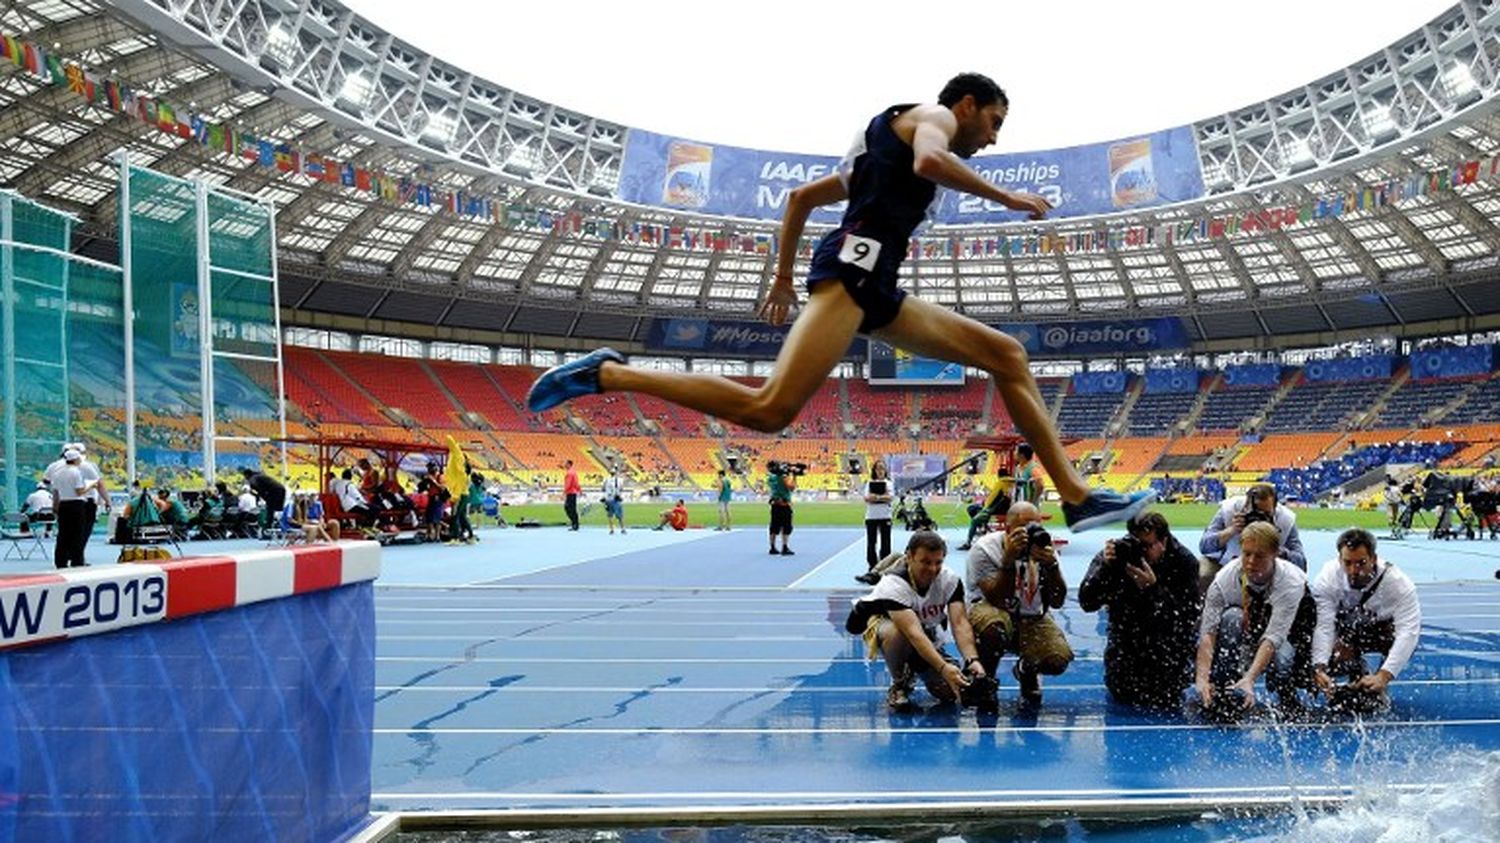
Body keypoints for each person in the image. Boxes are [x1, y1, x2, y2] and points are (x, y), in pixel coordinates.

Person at [527, 72, 1154, 533]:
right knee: (770, 410)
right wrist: (1008, 199)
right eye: (993, 123)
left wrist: (780, 279)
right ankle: (606, 373)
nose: (991, 140)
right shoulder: (930, 118)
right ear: (966, 104)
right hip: (851, 278)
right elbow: (934, 159)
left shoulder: (882, 152)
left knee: (1007, 355)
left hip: (876, 287)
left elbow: (800, 198)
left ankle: (1076, 498)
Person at [847, 531, 986, 710]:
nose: (932, 569)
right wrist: (943, 667)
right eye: (926, 562)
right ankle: (899, 683)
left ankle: (916, 664)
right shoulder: (893, 585)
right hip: (888, 627)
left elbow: (959, 623)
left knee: (951, 693)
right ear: (910, 557)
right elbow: (913, 633)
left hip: (925, 631)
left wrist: (971, 660)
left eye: (938, 562)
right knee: (898, 633)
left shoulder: (950, 580)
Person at [1077, 512, 1203, 710]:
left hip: (1167, 649)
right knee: (1123, 694)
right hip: (1126, 645)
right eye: (1137, 545)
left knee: (1166, 699)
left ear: (1164, 541)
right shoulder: (1119, 556)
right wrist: (1107, 569)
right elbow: (1087, 602)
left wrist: (1153, 590)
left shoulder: (1183, 561)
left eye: (1147, 546)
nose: (1141, 552)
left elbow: (1186, 618)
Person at [1194, 521, 1317, 715]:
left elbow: (1273, 637)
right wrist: (1202, 679)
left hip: (1289, 630)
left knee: (1283, 660)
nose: (1251, 561)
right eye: (1246, 553)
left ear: (1275, 554)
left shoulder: (1291, 582)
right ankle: (1223, 686)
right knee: (1231, 618)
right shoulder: (1224, 580)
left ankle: (1287, 693)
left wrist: (1250, 678)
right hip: (1250, 623)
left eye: (1259, 556)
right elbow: (1208, 633)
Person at [964, 501, 1073, 705]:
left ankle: (1026, 669)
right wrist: (1009, 561)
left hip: (1030, 614)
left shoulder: (1044, 549)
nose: (1031, 532)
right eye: (1025, 527)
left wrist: (1052, 566)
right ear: (1008, 529)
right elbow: (998, 598)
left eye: (1036, 526)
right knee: (994, 628)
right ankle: (986, 679)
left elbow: (1057, 601)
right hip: (990, 608)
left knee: (1057, 659)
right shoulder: (985, 550)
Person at [1310, 528, 1421, 708]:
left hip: (1379, 632)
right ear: (1339, 560)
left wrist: (1384, 675)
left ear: (1373, 559)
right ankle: (1356, 671)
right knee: (1325, 658)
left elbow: (1408, 633)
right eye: (1348, 563)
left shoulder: (1399, 585)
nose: (1354, 570)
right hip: (1346, 633)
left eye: (1361, 563)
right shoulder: (1327, 579)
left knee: (1396, 638)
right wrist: (1319, 667)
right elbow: (1323, 626)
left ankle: (1376, 686)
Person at [1199, 482, 1307, 590]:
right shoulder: (1230, 510)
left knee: (1297, 580)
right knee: (1204, 573)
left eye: (1265, 514)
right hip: (1225, 564)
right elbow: (1204, 547)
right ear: (1245, 505)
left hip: (1266, 570)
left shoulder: (1285, 520)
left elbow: (1301, 563)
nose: (1258, 519)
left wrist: (1275, 549)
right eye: (1254, 513)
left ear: (1275, 509)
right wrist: (1230, 531)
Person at [50, 448, 94, 568]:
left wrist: (55, 506)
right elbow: (79, 491)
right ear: (75, 459)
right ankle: (77, 560)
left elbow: (56, 492)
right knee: (77, 534)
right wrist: (90, 486)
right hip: (76, 505)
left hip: (63, 504)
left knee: (63, 533)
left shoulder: (57, 472)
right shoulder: (75, 472)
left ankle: (60, 560)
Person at [858, 459, 895, 583]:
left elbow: (890, 498)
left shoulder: (889, 483)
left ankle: (884, 569)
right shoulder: (869, 483)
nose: (880, 471)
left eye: (882, 468)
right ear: (874, 470)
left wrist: (877, 497)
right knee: (871, 543)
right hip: (871, 517)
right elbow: (867, 498)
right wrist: (882, 498)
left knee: (886, 544)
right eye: (878, 468)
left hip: (885, 516)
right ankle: (872, 569)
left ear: (885, 471)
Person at [240, 466, 286, 534]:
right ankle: (278, 526)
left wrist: (264, 498)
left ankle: (268, 529)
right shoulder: (258, 475)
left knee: (270, 509)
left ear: (246, 475)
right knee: (278, 510)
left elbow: (259, 490)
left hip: (275, 491)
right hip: (281, 489)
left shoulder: (253, 479)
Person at [767, 463, 796, 555]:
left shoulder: (771, 478)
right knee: (786, 526)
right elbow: (791, 487)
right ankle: (784, 547)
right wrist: (794, 477)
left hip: (775, 504)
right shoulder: (783, 477)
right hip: (784, 504)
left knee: (774, 526)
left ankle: (772, 547)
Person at [603, 468, 627, 535]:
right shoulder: (620, 480)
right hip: (616, 499)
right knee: (620, 516)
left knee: (610, 515)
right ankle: (623, 529)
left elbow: (603, 489)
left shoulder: (606, 480)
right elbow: (622, 489)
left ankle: (611, 530)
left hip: (608, 499)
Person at [562, 459, 581, 531]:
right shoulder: (574, 472)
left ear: (569, 464)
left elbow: (568, 484)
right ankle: (575, 523)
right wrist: (579, 490)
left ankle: (574, 523)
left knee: (568, 508)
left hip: (570, 493)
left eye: (565, 463)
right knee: (572, 509)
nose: (564, 465)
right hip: (573, 493)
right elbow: (576, 483)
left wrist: (564, 491)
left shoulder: (569, 473)